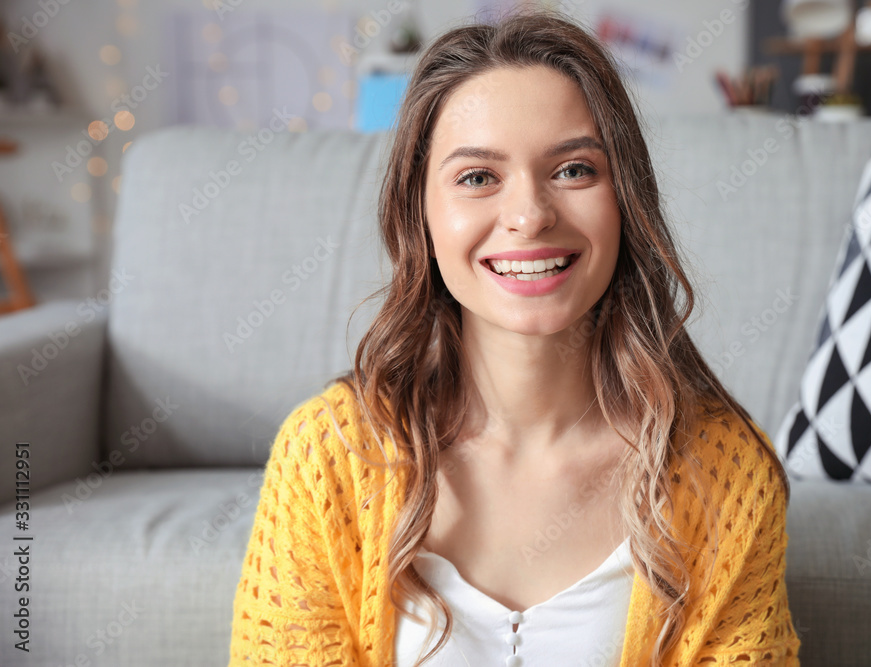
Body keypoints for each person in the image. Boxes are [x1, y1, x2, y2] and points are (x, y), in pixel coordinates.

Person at [229, 9, 801, 667]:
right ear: (420, 214)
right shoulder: (324, 455)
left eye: (573, 170)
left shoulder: (725, 473)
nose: (530, 215)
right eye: (478, 177)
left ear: (625, 199)